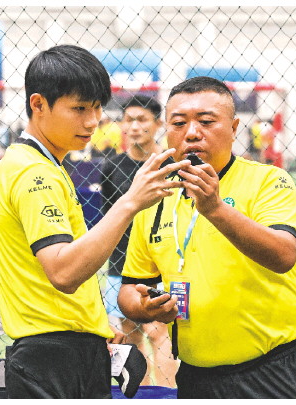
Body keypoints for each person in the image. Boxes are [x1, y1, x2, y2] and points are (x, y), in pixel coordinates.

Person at [0, 44, 189, 399]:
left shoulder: (41, 165)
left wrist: (93, 323)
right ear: (38, 104)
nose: (93, 121)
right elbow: (63, 272)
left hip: (66, 348)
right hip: (53, 359)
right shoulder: (35, 173)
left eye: (97, 108)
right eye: (79, 108)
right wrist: (131, 202)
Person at [117, 76, 296, 399]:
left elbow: (283, 255)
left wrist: (214, 208)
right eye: (179, 123)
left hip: (278, 368)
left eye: (206, 121)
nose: (191, 132)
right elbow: (130, 288)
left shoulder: (268, 181)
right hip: (197, 374)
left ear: (233, 127)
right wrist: (147, 307)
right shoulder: (155, 197)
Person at [100, 95, 178, 387]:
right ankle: (141, 394)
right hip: (122, 261)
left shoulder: (172, 164)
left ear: (158, 124)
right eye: (129, 120)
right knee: (131, 333)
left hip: (162, 261)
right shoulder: (112, 166)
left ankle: (168, 394)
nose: (134, 126)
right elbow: (110, 217)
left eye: (142, 119)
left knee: (160, 332)